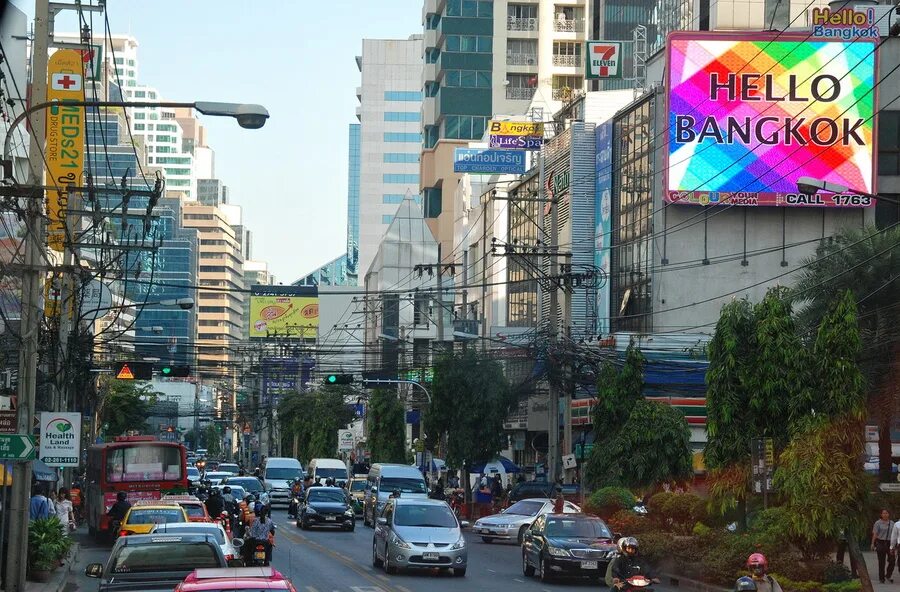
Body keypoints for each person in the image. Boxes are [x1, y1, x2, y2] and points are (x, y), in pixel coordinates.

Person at [872, 509, 895, 583]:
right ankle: (881, 578)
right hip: (880, 543)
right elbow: (875, 534)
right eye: (883, 513)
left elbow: (895, 534)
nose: (885, 514)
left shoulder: (892, 523)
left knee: (892, 560)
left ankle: (888, 575)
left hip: (890, 543)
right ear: (881, 514)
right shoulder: (878, 523)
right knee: (881, 562)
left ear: (889, 514)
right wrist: (872, 543)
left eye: (886, 513)